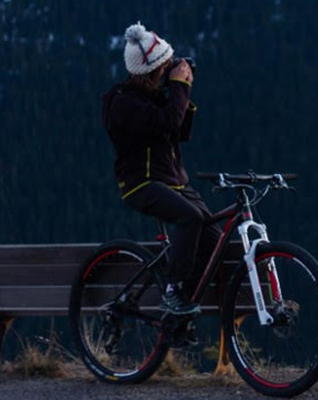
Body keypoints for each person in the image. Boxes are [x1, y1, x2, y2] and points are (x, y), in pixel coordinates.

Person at [101, 22, 218, 316]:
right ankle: (172, 291)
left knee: (213, 241)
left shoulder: (154, 97)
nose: (172, 69)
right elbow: (165, 123)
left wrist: (183, 91)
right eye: (167, 66)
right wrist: (179, 88)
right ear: (152, 71)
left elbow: (180, 132)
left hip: (174, 180)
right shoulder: (123, 102)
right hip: (142, 183)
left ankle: (181, 312)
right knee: (190, 218)